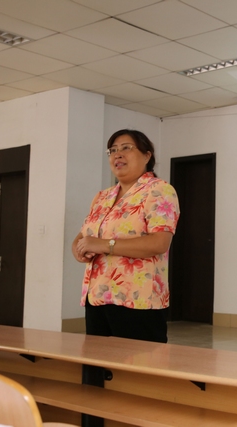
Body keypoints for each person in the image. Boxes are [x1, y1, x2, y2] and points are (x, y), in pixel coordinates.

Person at [72, 129, 180, 343]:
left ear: (147, 156)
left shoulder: (159, 190)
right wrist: (79, 250)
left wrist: (103, 245)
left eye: (126, 148)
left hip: (138, 300)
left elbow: (159, 243)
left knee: (137, 362)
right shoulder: (102, 196)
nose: (117, 154)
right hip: (97, 297)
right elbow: (83, 236)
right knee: (96, 361)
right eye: (112, 150)